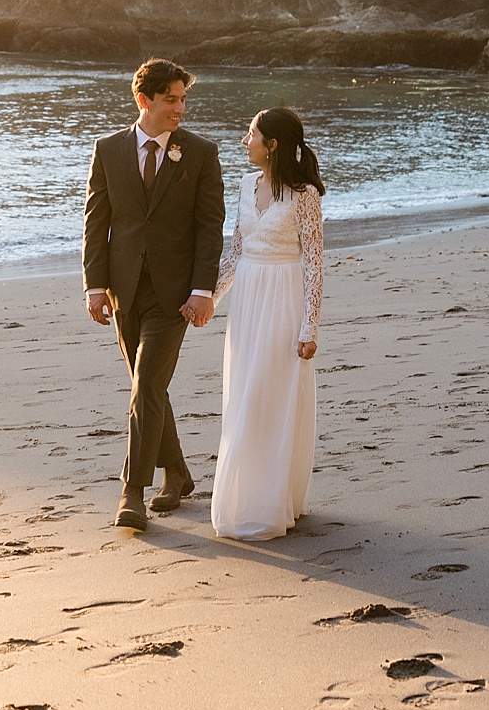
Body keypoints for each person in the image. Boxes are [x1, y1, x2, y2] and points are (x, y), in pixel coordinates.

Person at [82, 58, 224, 533]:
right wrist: (95, 285)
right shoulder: (107, 150)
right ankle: (178, 472)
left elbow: (210, 228)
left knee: (145, 386)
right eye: (171, 100)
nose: (180, 108)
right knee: (151, 389)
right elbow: (96, 222)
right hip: (123, 292)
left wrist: (204, 291)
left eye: (183, 99)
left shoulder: (201, 153)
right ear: (144, 100)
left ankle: (132, 491)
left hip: (175, 296)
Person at [209, 106, 325, 542]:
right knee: (243, 396)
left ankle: (272, 501)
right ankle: (249, 496)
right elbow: (237, 251)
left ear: (272, 145)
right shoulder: (244, 185)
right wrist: (210, 299)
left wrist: (309, 326)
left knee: (271, 398)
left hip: (283, 299)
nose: (245, 141)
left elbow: (313, 264)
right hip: (248, 301)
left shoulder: (305, 196)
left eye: (251, 134)